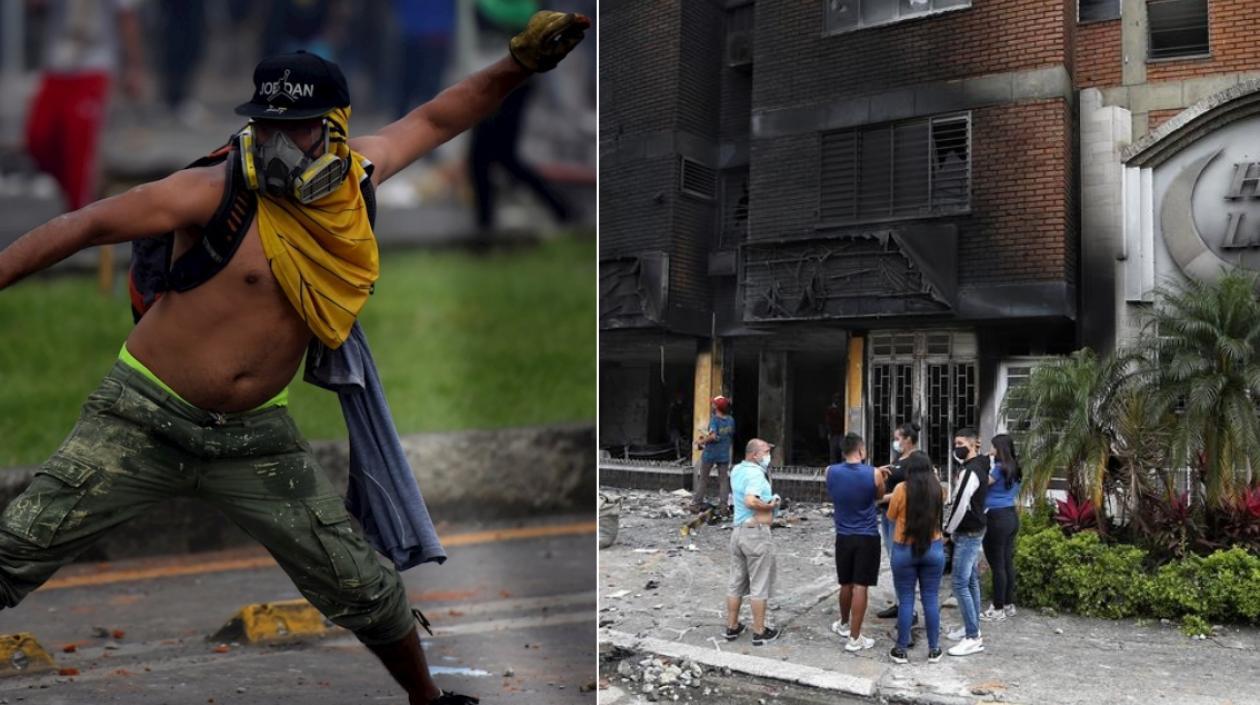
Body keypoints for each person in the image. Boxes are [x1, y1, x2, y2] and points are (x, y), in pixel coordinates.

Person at [0, 13, 589, 705]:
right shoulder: (211, 189)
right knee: (17, 548)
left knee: (362, 584)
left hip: (254, 437)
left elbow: (439, 117)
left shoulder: (356, 179)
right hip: (142, 417)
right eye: (267, 126)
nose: (278, 143)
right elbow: (83, 225)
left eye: (298, 127)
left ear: (334, 127)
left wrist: (519, 64)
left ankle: (428, 700)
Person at [25, 0, 145, 212]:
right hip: (57, 64)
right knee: (38, 138)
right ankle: (87, 192)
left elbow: (126, 17)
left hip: (95, 66)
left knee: (80, 149)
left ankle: (81, 211)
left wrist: (134, 67)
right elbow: (33, 5)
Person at [469, 0, 573, 237]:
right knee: (488, 158)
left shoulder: (515, 8)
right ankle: (485, 227)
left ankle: (485, 228)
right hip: (498, 79)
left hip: (510, 82)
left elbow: (521, 15)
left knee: (493, 157)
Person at [826, 432, 886, 652]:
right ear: (861, 450)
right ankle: (855, 637)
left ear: (843, 451)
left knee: (846, 583)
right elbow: (879, 496)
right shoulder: (874, 473)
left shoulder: (830, 471)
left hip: (843, 535)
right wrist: (879, 476)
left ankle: (843, 623)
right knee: (861, 586)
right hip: (867, 536)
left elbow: (833, 492)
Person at [885, 452, 946, 664]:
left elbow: (890, 516)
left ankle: (901, 649)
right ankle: (934, 649)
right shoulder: (937, 489)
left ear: (909, 469)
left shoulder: (901, 489)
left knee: (906, 600)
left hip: (904, 549)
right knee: (930, 598)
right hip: (933, 548)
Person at [723, 438, 781, 646]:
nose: (769, 456)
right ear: (755, 455)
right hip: (755, 534)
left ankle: (732, 626)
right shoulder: (756, 474)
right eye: (766, 452)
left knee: (736, 581)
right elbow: (750, 500)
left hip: (738, 531)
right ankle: (759, 631)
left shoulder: (737, 470)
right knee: (759, 584)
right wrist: (770, 505)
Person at [944, 427, 989, 657]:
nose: (957, 448)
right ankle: (972, 627)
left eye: (961, 444)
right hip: (974, 529)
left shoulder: (971, 471)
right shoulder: (980, 465)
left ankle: (973, 637)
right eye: (955, 444)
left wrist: (947, 531)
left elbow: (961, 504)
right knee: (971, 581)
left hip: (967, 533)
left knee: (960, 584)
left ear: (972, 445)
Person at [875, 422, 921, 626]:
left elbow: (910, 490)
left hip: (901, 516)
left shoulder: (916, 460)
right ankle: (900, 603)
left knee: (902, 562)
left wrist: (881, 498)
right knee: (894, 561)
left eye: (897, 438)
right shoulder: (899, 458)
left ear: (908, 439)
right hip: (887, 514)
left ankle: (910, 611)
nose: (895, 442)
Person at [981, 433, 1022, 621]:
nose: (990, 449)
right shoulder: (1015, 467)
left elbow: (981, 483)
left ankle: (997, 609)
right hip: (1011, 516)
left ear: (999, 448)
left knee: (997, 565)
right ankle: (1008, 604)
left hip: (996, 518)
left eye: (992, 446)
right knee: (1006, 562)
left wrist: (982, 462)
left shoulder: (998, 469)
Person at [692, 395, 735, 513]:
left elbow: (713, 436)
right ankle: (723, 506)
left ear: (716, 407)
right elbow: (729, 434)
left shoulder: (714, 420)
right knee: (723, 480)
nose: (712, 405)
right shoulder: (731, 420)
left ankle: (696, 504)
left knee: (703, 479)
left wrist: (701, 441)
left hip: (710, 453)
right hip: (724, 453)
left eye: (713, 404)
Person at [666, 390, 689, 460]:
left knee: (677, 441)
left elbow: (682, 418)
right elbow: (670, 418)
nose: (681, 398)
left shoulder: (680, 407)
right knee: (675, 441)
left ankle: (677, 455)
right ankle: (677, 456)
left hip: (677, 427)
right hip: (674, 427)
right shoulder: (674, 407)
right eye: (680, 397)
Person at [825, 392, 845, 463]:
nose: (838, 400)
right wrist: (829, 433)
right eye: (836, 398)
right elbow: (827, 422)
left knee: (843, 450)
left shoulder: (843, 408)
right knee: (833, 452)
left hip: (842, 432)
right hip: (833, 433)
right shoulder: (830, 409)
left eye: (839, 398)